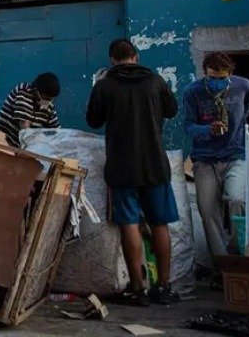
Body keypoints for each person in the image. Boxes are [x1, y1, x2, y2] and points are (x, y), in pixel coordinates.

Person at [86, 39, 179, 306]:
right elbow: (171, 111)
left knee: (129, 224)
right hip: (155, 166)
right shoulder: (155, 81)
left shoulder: (105, 85)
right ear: (135, 57)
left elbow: (94, 121)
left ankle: (137, 289)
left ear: (112, 59)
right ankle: (163, 286)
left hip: (121, 167)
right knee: (159, 223)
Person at [182, 52, 249, 285]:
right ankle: (223, 267)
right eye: (212, 77)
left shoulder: (244, 86)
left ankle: (237, 252)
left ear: (230, 74)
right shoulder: (193, 91)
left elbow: (246, 113)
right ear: (205, 73)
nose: (217, 82)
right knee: (207, 211)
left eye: (221, 78)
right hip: (204, 158)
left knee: (236, 199)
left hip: (235, 154)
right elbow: (189, 126)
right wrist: (207, 130)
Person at [0, 72, 60, 148]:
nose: (48, 101)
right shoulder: (23, 91)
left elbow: (56, 130)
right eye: (46, 98)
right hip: (4, 140)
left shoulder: (49, 105)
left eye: (51, 99)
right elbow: (24, 127)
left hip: (24, 143)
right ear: (36, 91)